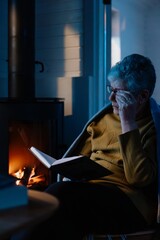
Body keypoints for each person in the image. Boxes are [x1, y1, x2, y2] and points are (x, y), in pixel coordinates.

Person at [13, 53, 160, 240]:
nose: (110, 97)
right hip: (92, 192)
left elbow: (138, 179)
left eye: (119, 93)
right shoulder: (103, 120)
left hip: (130, 202)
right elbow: (80, 159)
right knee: (51, 205)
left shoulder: (153, 127)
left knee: (60, 197)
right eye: (110, 89)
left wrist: (128, 122)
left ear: (142, 96)